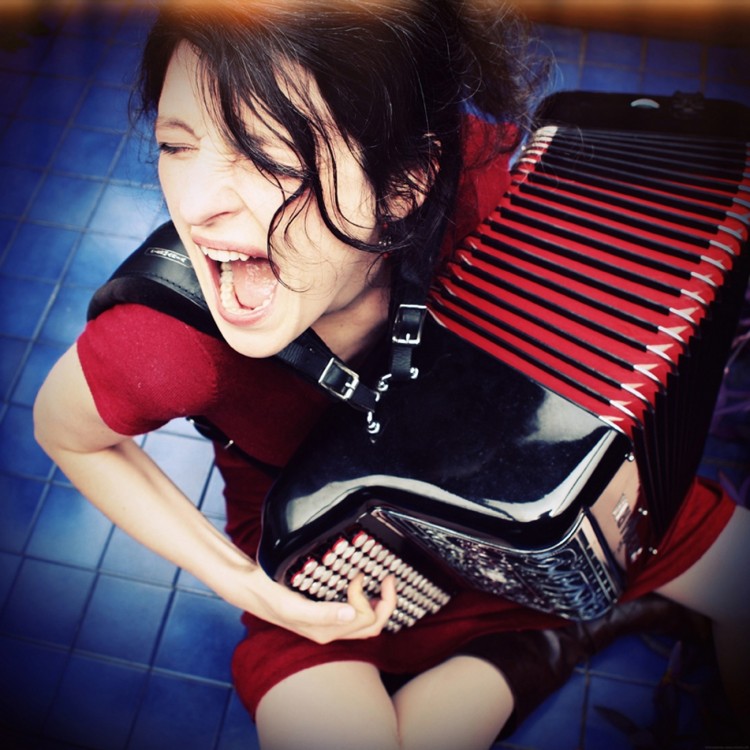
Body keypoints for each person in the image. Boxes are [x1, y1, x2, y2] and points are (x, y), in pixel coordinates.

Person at [33, 1, 749, 748]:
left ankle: (539, 630)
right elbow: (64, 431)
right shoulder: (167, 344)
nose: (199, 206)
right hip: (323, 546)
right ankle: (543, 643)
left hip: (522, 473)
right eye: (177, 145)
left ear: (406, 185)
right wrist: (248, 586)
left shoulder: (472, 182)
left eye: (271, 157)